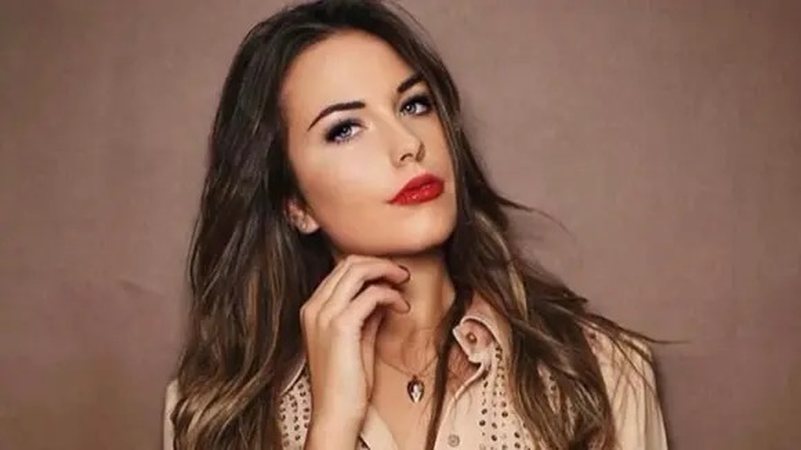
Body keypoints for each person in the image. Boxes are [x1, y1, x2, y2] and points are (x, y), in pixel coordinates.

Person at [162, 0, 669, 449]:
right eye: (345, 129)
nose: (408, 143)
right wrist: (332, 426)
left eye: (414, 105)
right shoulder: (212, 414)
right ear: (295, 204)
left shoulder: (599, 371)